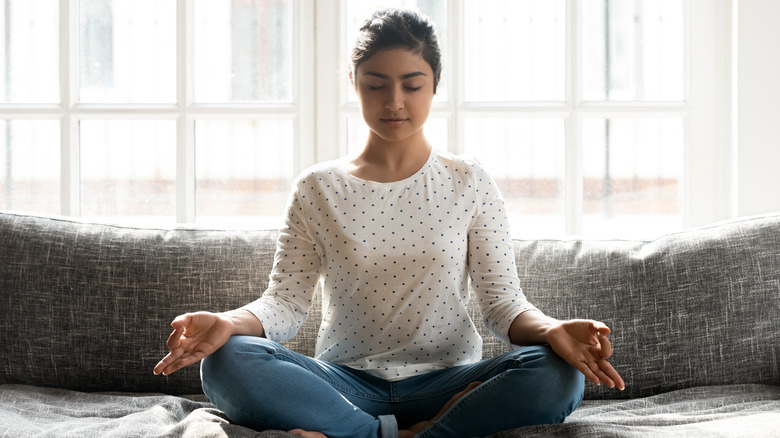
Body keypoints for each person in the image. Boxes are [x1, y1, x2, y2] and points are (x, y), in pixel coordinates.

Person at [154, 8, 624, 438]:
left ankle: (361, 434)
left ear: (435, 84)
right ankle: (406, 434)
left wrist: (552, 330)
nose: (394, 101)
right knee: (227, 360)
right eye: (376, 84)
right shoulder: (317, 187)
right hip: (342, 382)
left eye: (412, 84)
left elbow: (504, 304)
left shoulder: (470, 181)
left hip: (450, 379)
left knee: (557, 371)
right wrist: (227, 322)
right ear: (354, 84)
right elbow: (285, 304)